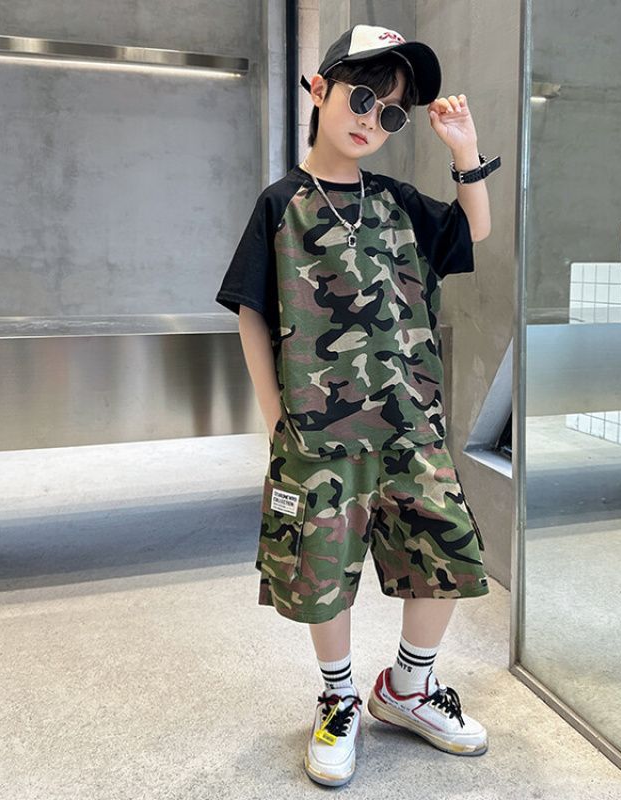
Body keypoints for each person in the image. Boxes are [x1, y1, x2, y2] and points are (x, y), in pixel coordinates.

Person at [215, 24, 500, 787]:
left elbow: (474, 229)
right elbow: (251, 311)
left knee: (445, 555)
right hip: (319, 435)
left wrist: (465, 151)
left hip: (411, 426)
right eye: (363, 96)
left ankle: (408, 687)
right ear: (321, 89)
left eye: (393, 112)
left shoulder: (399, 202)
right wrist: (275, 416)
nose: (373, 119)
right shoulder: (281, 204)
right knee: (320, 572)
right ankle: (339, 696)